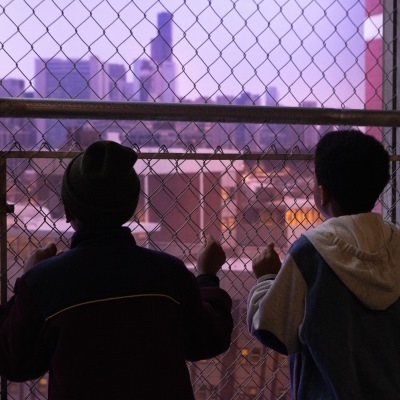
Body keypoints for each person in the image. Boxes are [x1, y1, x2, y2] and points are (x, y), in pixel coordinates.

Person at [0, 141, 233, 400]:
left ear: (67, 211)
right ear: (132, 206)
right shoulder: (169, 274)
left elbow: (16, 362)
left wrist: (27, 283)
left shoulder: (45, 283)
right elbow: (209, 339)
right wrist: (207, 276)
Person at [247, 129, 400, 399]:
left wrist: (265, 279)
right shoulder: (397, 244)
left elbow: (273, 330)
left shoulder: (311, 252)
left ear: (323, 193)